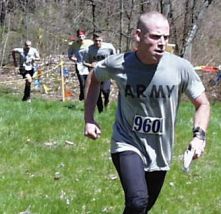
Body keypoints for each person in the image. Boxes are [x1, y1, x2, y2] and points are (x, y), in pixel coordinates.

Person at [84, 11, 210, 213]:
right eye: (154, 36)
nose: (161, 43)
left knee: (142, 207)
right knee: (137, 201)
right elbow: (94, 77)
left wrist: (199, 137)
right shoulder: (120, 64)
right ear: (138, 36)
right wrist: (89, 119)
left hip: (160, 150)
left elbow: (202, 103)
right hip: (127, 142)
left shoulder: (180, 67)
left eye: (165, 37)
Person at [84, 32, 116, 113]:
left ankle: (107, 102)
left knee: (105, 90)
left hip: (106, 72)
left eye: (99, 40)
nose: (97, 43)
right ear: (93, 40)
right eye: (95, 41)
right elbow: (84, 62)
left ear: (102, 40)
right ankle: (100, 110)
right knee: (97, 92)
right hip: (95, 73)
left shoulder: (109, 47)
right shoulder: (89, 49)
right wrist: (91, 64)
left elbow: (115, 58)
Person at [68, 29, 93, 101]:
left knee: (88, 82)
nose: (81, 37)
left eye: (82, 36)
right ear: (77, 37)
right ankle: (83, 95)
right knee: (82, 82)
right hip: (80, 65)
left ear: (85, 36)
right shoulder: (74, 44)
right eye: (79, 36)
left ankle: (87, 97)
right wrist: (73, 59)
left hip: (89, 65)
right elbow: (70, 54)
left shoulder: (90, 43)